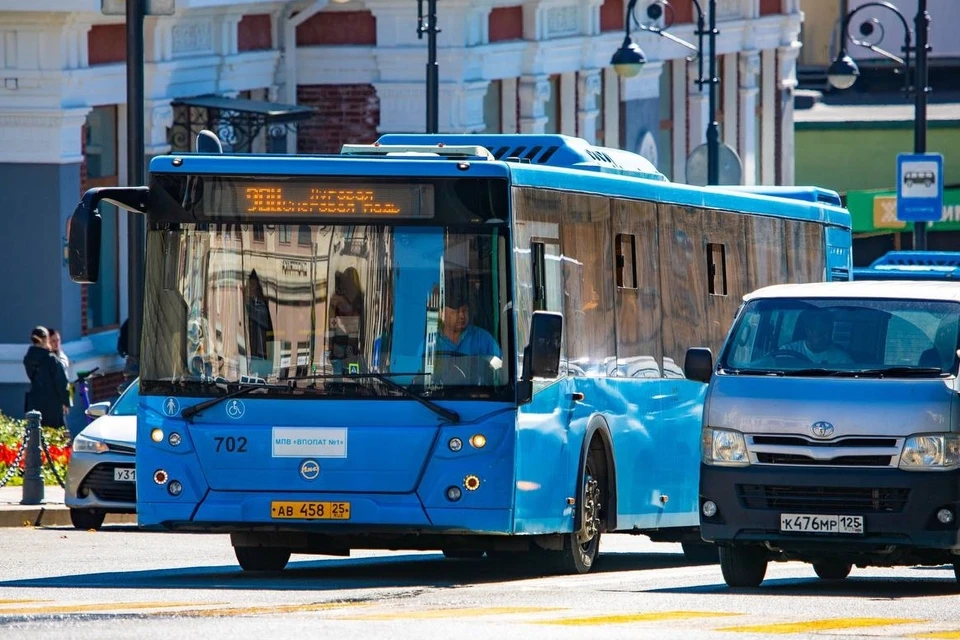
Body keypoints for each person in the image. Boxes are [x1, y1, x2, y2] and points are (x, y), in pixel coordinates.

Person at [435, 276, 500, 359]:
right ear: (442, 314)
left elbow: (500, 363)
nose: (462, 316)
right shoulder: (431, 343)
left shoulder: (483, 339)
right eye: (456, 312)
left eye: (465, 310)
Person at [23, 326, 70, 428]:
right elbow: (61, 382)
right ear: (45, 340)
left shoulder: (28, 358)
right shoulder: (51, 359)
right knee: (58, 434)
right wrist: (66, 402)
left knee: (37, 433)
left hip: (35, 403)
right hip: (53, 405)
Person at [780, 308, 852, 365]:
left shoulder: (842, 359)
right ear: (808, 332)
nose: (827, 338)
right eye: (821, 333)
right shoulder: (787, 352)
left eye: (830, 333)